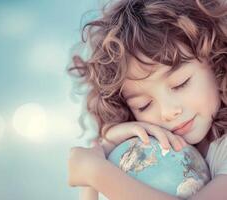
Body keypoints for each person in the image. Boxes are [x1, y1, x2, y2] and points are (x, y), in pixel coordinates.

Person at [67, 0, 227, 199]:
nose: (168, 112)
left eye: (180, 84)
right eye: (144, 105)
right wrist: (105, 148)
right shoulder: (155, 158)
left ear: (216, 63)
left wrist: (96, 173)